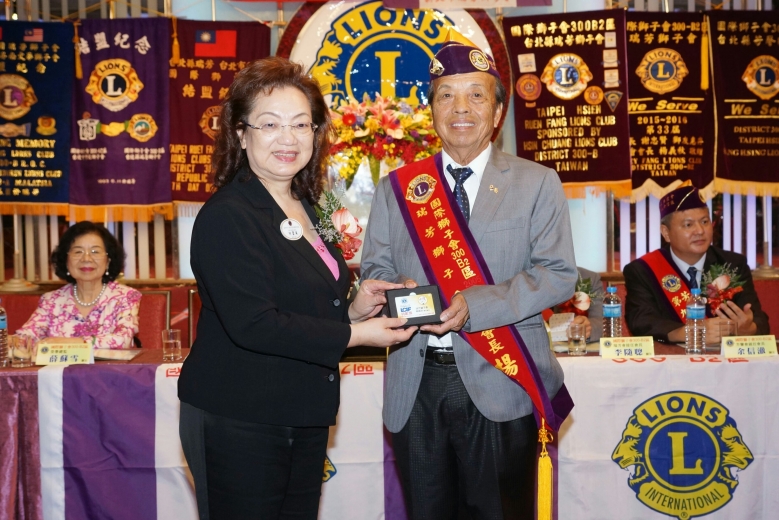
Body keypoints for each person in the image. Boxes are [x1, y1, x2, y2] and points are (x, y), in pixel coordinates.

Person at [177, 57, 416, 520]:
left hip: (302, 411)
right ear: (241, 134)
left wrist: (355, 309)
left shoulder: (308, 205)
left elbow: (304, 303)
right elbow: (255, 324)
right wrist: (356, 335)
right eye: (270, 124)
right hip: (239, 417)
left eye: (301, 124)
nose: (288, 138)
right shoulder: (228, 215)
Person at [361, 33, 577, 519]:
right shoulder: (398, 187)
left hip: (502, 378)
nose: (461, 107)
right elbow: (376, 267)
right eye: (446, 96)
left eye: (476, 95)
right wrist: (393, 292)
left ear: (497, 112)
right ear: (432, 111)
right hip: (415, 383)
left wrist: (476, 306)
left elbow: (557, 273)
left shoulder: (537, 182)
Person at [624, 184, 769, 342]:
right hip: (670, 357)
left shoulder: (732, 264)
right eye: (688, 225)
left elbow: (759, 319)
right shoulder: (643, 270)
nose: (700, 231)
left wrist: (749, 328)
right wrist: (690, 333)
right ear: (666, 233)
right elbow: (641, 321)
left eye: (705, 222)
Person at [16, 221, 141, 349]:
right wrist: (11, 341)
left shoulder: (125, 297)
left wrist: (67, 343)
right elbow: (25, 338)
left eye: (95, 251)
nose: (86, 259)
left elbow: (122, 340)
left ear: (108, 261)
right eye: (78, 252)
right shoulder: (51, 301)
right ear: (66, 261)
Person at [550, 267, 604, 342]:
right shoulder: (533, 279)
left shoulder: (589, 278)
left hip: (575, 346)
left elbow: (601, 321)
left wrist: (587, 328)